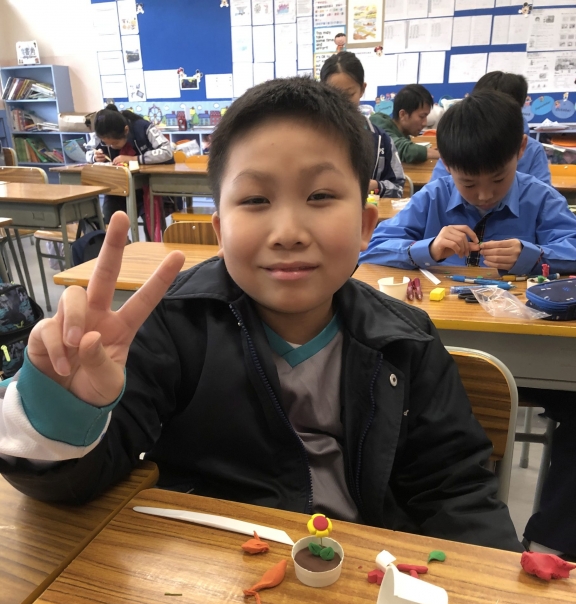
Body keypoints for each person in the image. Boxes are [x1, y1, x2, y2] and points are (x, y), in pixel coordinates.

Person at [0, 78, 521, 552]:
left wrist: (493, 602)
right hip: (212, 577)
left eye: (320, 195)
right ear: (220, 230)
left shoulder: (407, 341)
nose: (288, 232)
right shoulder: (174, 326)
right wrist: (63, 410)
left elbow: (456, 494)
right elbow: (78, 483)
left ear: (366, 226)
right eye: (254, 199)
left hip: (361, 581)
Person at [361, 90, 576, 559]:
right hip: (442, 360)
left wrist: (536, 254)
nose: (482, 195)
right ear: (447, 165)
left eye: (497, 180)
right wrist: (427, 248)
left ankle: (554, 539)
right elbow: (373, 246)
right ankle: (400, 527)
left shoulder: (539, 198)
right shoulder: (435, 197)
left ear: (520, 151)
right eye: (467, 182)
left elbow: (573, 245)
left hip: (534, 356)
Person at [431, 72, 551, 186]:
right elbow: (436, 188)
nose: (484, 196)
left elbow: (543, 194)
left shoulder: (533, 150)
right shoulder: (457, 143)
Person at [321, 52, 405, 198]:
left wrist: (376, 186)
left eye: (349, 95)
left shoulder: (380, 140)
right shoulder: (314, 137)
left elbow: (398, 187)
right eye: (334, 95)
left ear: (362, 89)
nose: (342, 103)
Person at [85, 104, 174, 233]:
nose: (111, 147)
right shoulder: (101, 132)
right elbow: (88, 152)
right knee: (110, 221)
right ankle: (119, 243)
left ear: (126, 130)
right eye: (107, 143)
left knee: (150, 223)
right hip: (119, 189)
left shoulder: (143, 127)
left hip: (149, 188)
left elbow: (167, 151)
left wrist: (135, 159)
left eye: (115, 143)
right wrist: (95, 157)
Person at [370, 84, 440, 164]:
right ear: (402, 114)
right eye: (422, 116)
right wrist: (443, 156)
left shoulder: (403, 136)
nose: (425, 123)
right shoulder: (377, 121)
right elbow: (396, 147)